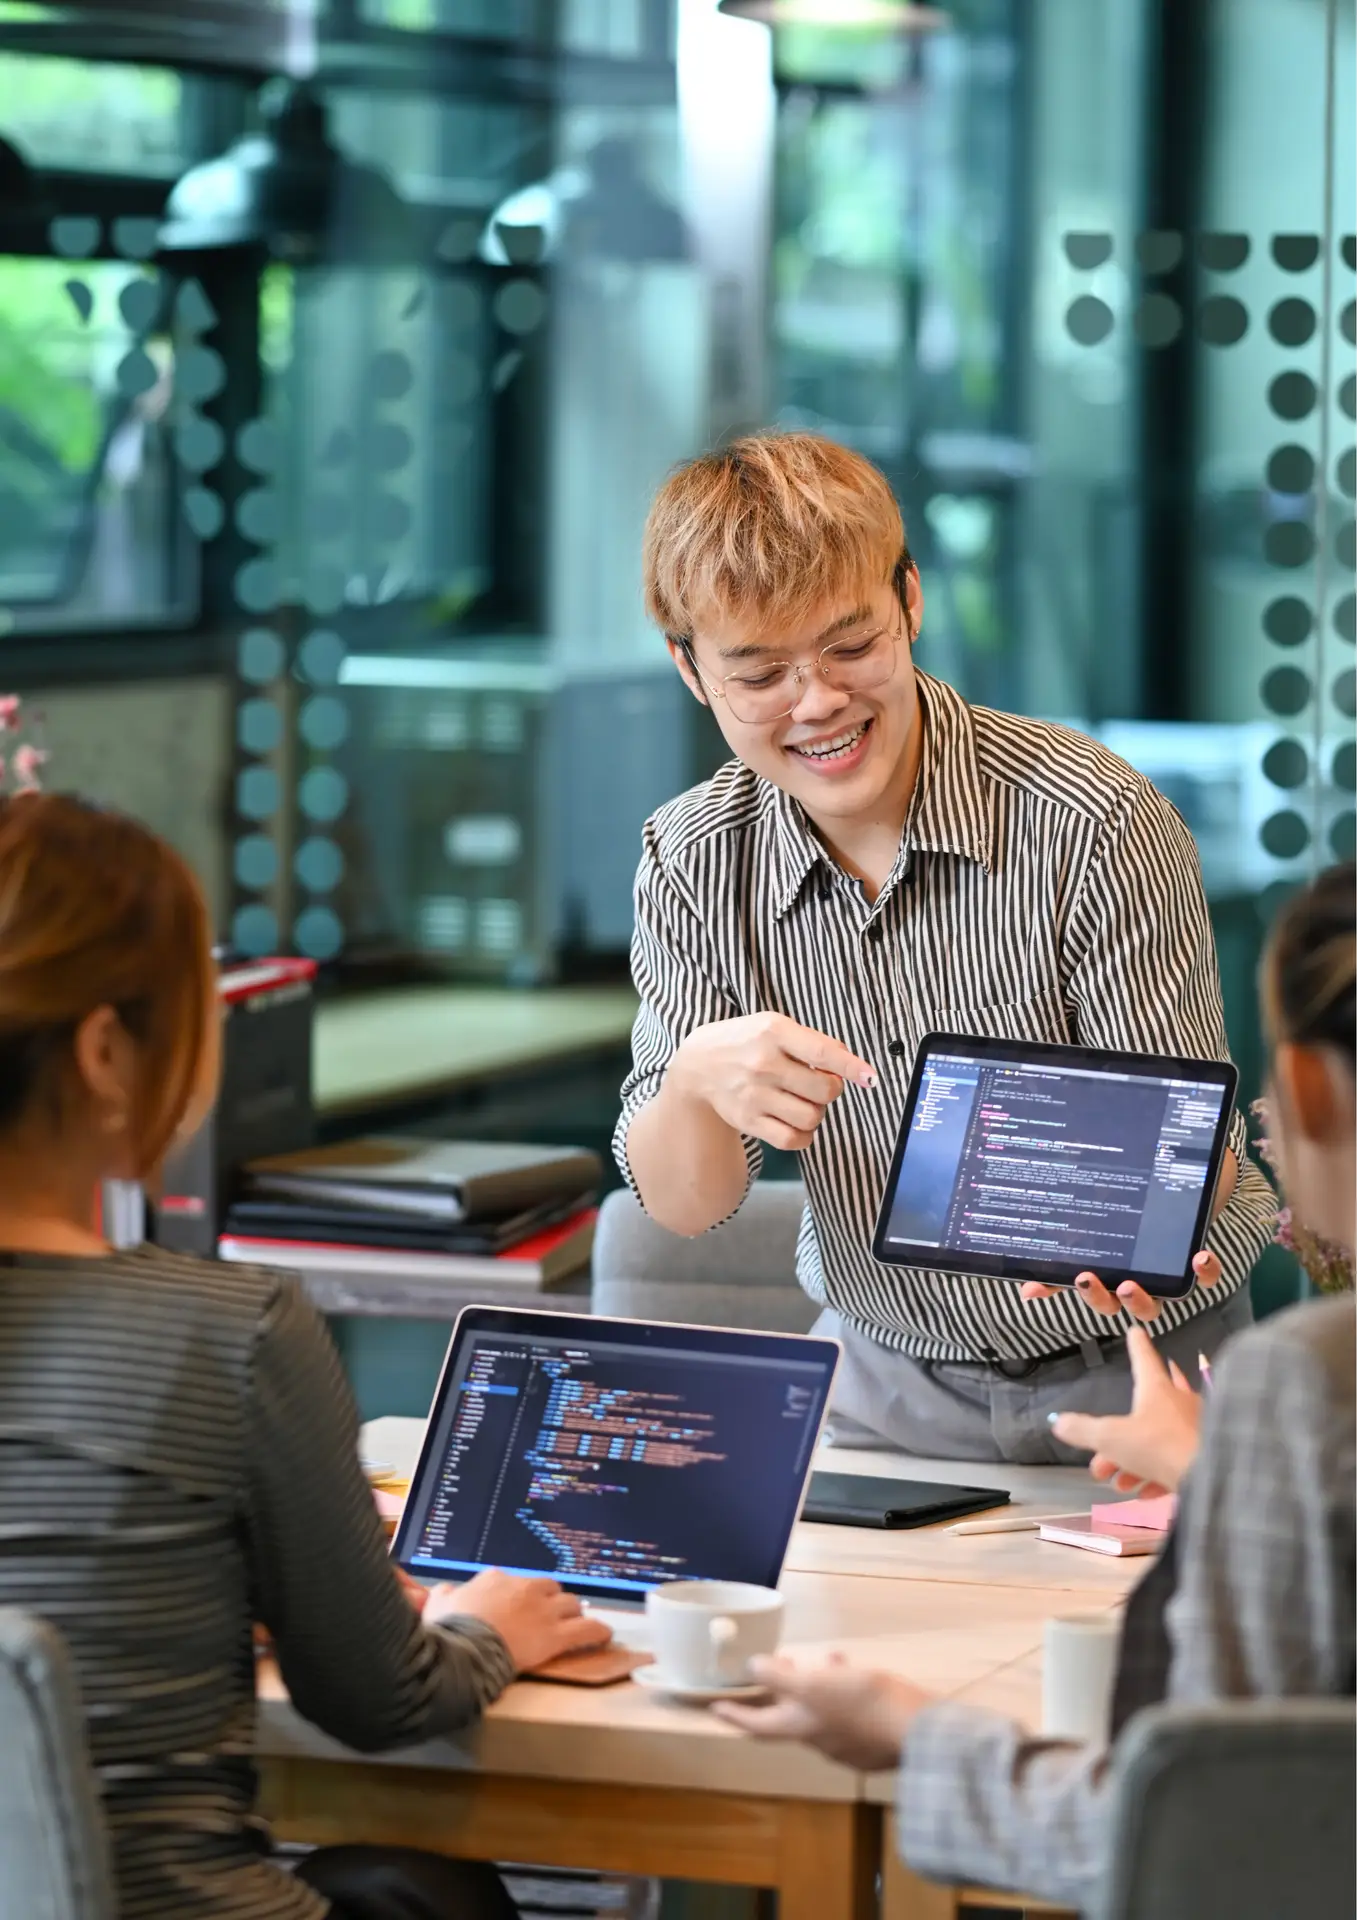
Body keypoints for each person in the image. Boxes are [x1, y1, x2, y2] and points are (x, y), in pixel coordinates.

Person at [0, 793, 611, 1920]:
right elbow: (381, 1700)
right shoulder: (227, 1334)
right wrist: (490, 1626)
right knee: (435, 1892)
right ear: (102, 1052)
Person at [617, 431, 1275, 1461]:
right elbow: (688, 1206)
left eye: (850, 644)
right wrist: (694, 1086)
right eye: (759, 673)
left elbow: (1167, 1152)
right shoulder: (695, 858)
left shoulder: (1091, 818)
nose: (819, 701)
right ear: (691, 672)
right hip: (884, 1387)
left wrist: (1173, 1201)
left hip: (1148, 1364)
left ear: (911, 602)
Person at [717, 863, 1356, 1913]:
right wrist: (1214, 1471)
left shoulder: (1312, 1386)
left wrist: (908, 1730)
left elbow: (1224, 1838)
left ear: (1312, 1089)